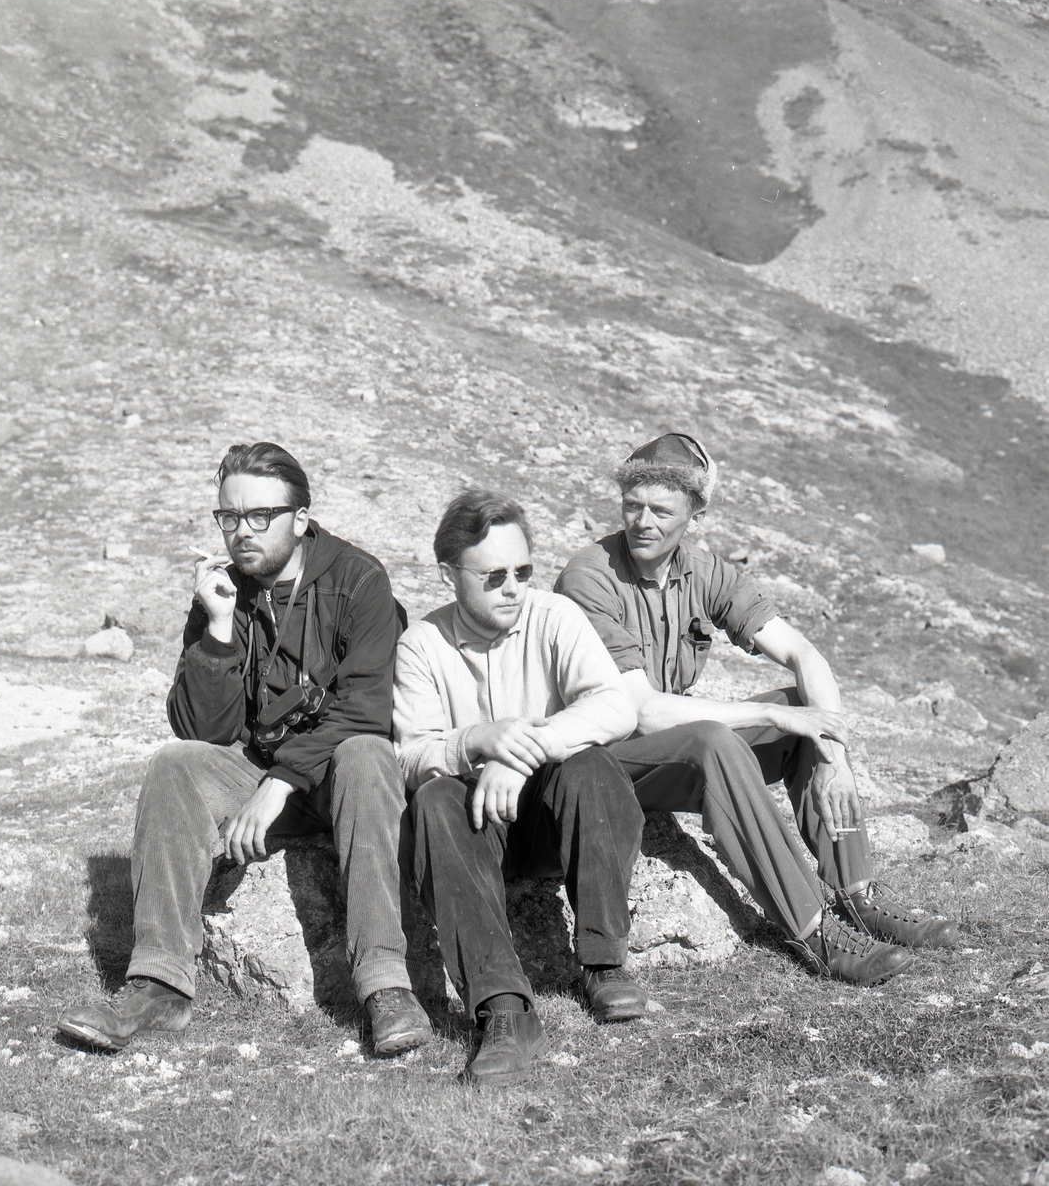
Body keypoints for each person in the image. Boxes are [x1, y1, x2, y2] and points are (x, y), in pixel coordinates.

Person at [58, 442, 431, 1055]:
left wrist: (277, 786)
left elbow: (367, 707)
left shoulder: (359, 581)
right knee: (174, 766)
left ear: (301, 518)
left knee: (367, 753)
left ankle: (385, 986)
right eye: (228, 517)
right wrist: (221, 628)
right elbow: (200, 729)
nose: (242, 532)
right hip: (257, 767)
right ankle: (160, 985)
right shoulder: (222, 590)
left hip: (337, 776)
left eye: (260, 516)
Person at [555, 432, 958, 987]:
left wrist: (832, 757)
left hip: (670, 742)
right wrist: (768, 717)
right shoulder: (589, 576)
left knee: (802, 708)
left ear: (695, 517)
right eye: (632, 506)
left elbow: (802, 654)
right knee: (720, 738)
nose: (642, 522)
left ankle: (857, 893)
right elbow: (641, 712)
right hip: (606, 763)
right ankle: (815, 928)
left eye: (661, 510)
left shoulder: (705, 571)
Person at [392, 488, 646, 1088]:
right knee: (431, 799)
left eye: (524, 571)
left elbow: (615, 707)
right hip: (473, 828)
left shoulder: (553, 615)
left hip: (552, 818)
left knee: (591, 767)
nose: (513, 587)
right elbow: (409, 755)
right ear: (450, 574)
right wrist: (479, 739)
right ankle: (505, 1009)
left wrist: (524, 754)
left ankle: (605, 963)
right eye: (495, 575)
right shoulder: (422, 646)